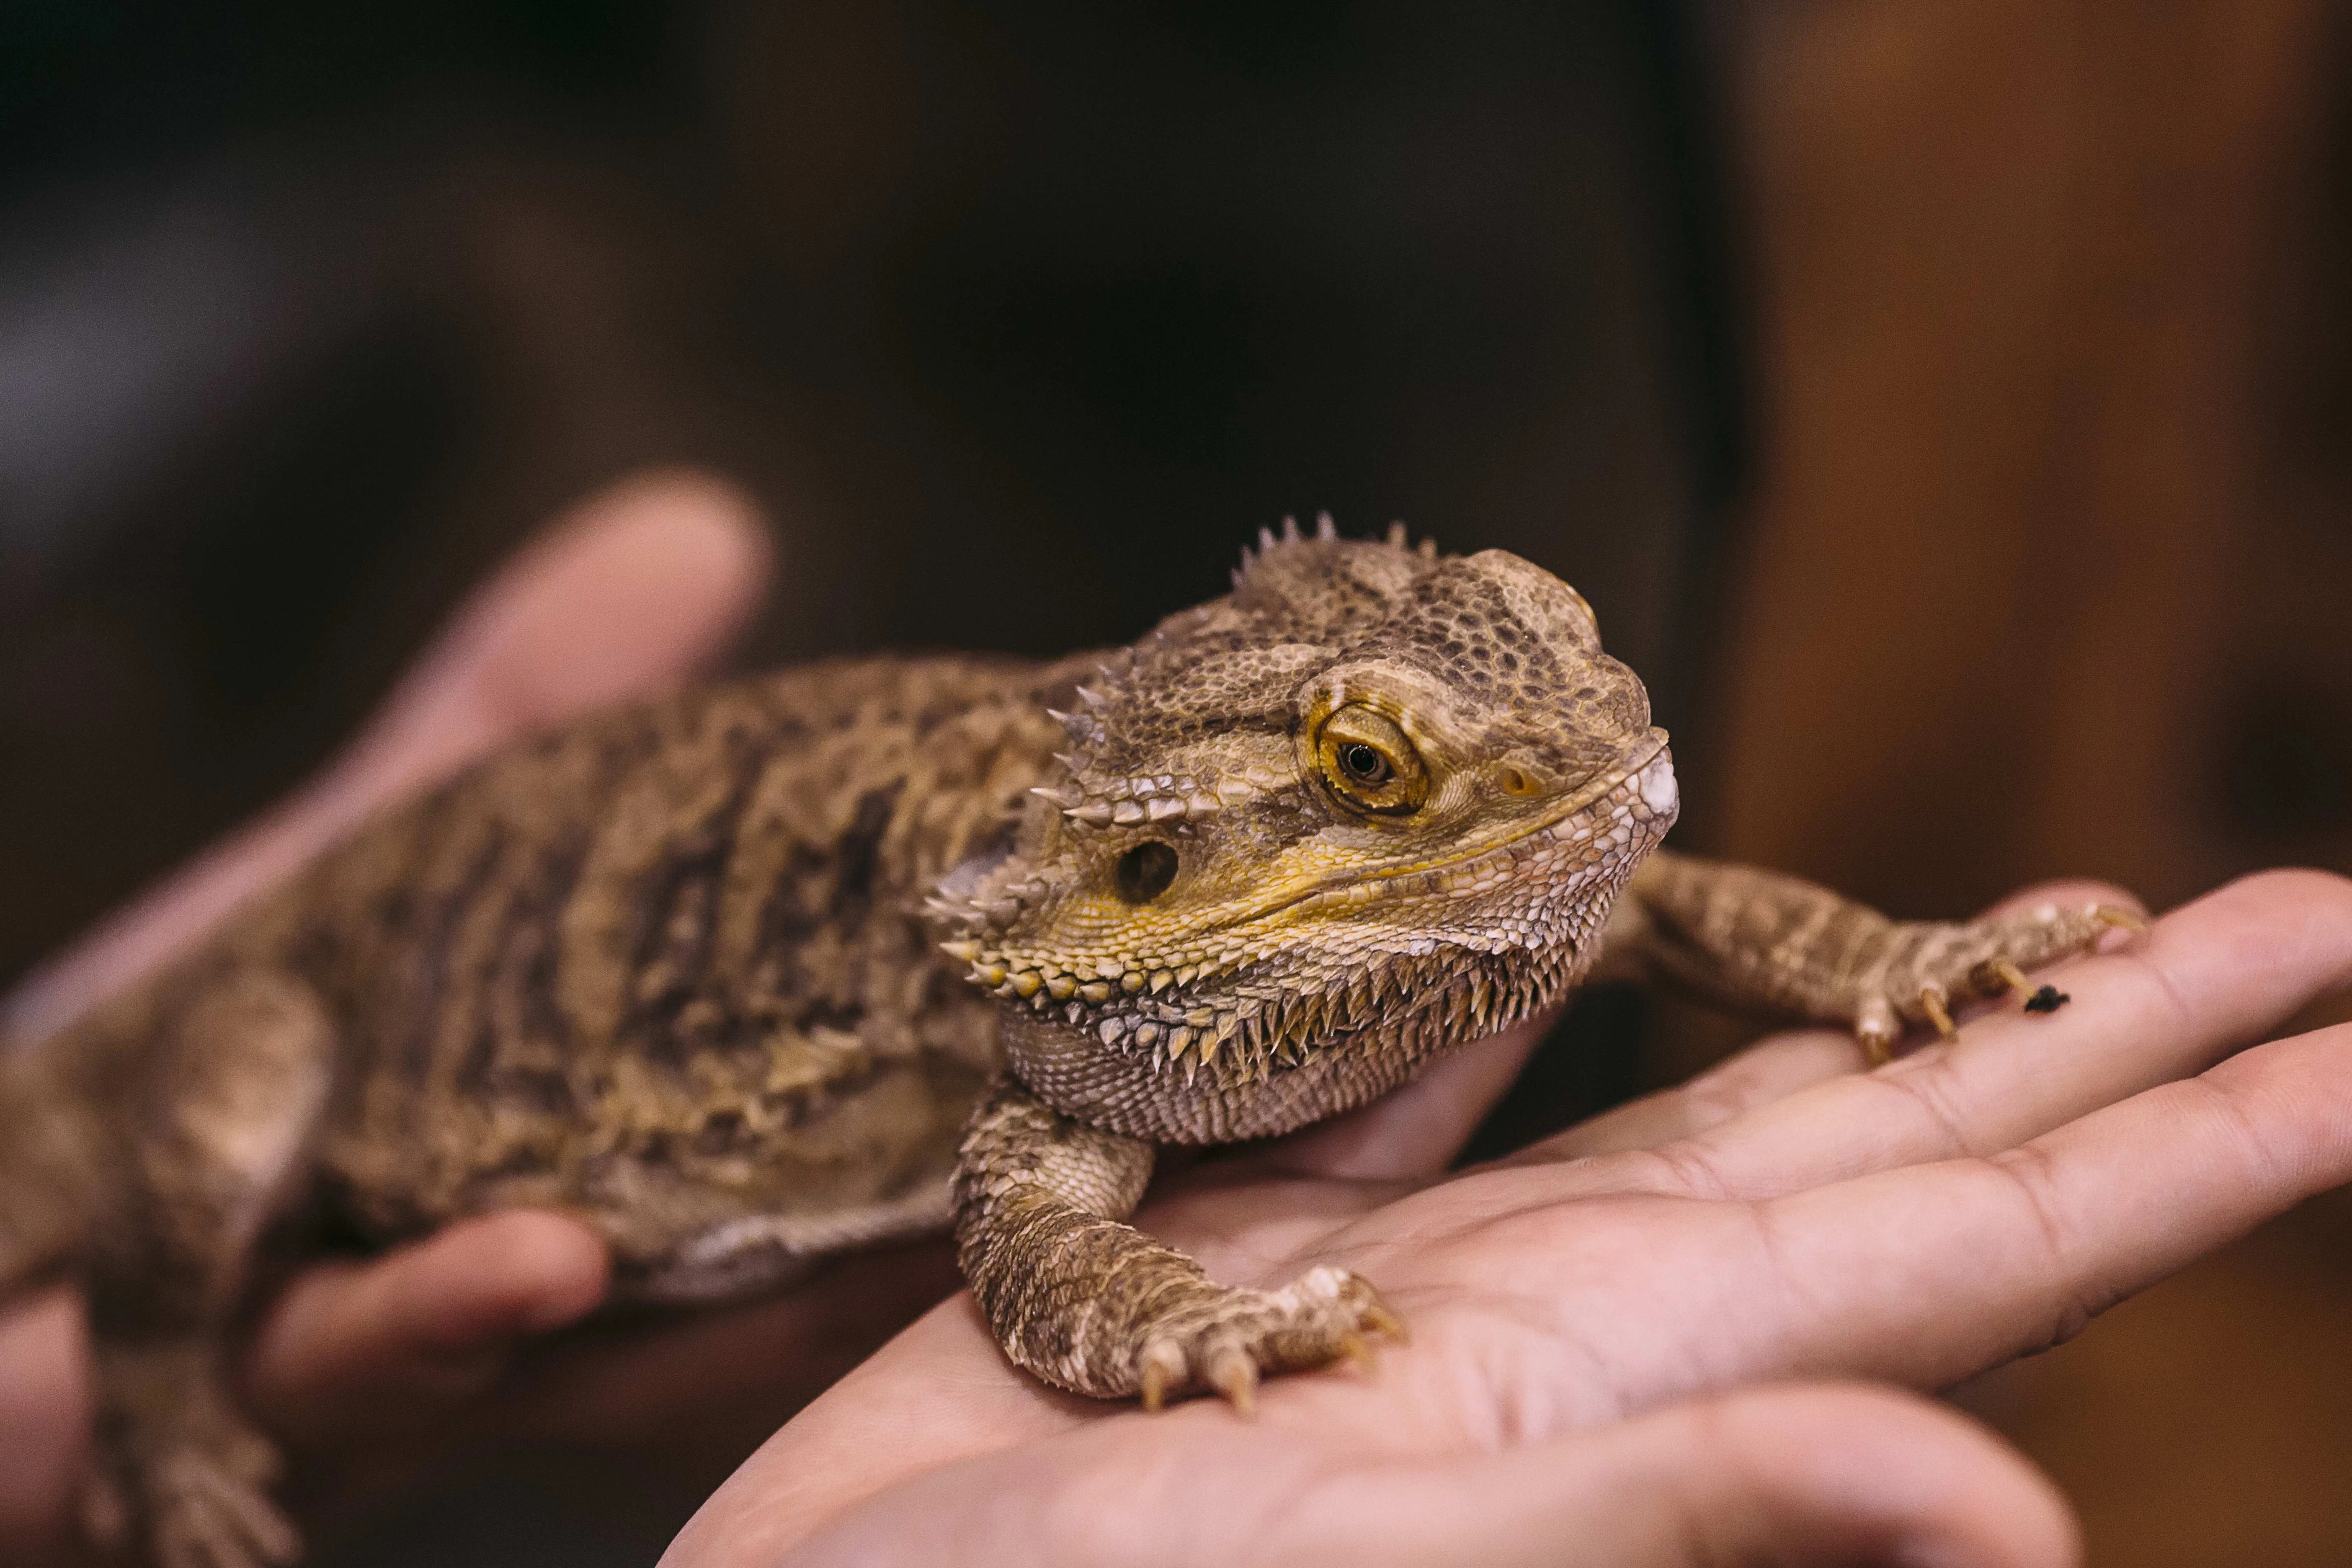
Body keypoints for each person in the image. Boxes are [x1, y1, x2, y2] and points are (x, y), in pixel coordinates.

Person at [7, 472, 2351, 1568]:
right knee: (204, 1147)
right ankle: (149, 1377)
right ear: (1152, 875)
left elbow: (1639, 889)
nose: (1621, 764)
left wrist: (1881, 973)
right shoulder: (1076, 1035)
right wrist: (1188, 1324)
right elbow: (1044, 1240)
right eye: (1371, 779)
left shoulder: (1445, 867)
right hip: (316, 1015)